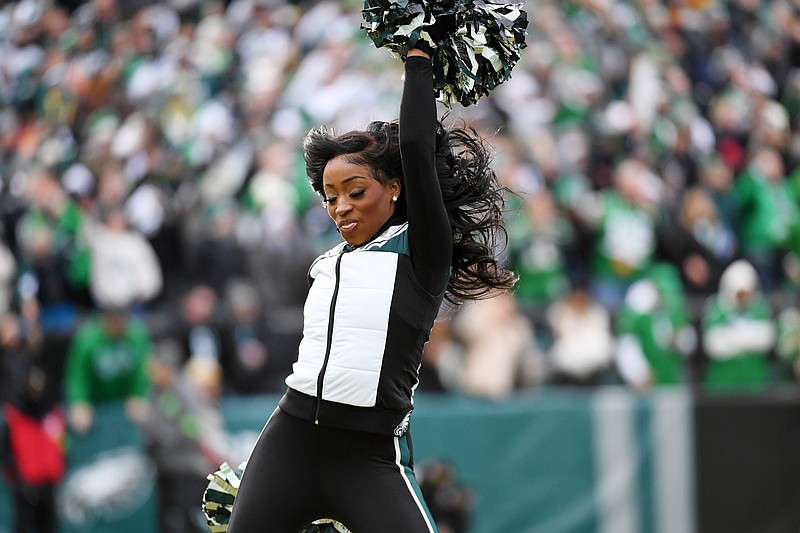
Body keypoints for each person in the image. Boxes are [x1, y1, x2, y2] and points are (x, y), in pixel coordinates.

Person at [225, 47, 515, 532]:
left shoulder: (421, 251)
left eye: (356, 191)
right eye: (330, 197)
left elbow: (418, 147)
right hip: (290, 439)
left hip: (369, 454)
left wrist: (418, 55)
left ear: (395, 188)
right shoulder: (327, 262)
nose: (340, 207)